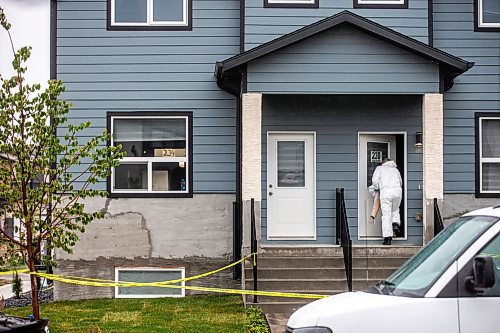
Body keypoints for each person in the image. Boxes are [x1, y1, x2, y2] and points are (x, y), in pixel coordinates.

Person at [372, 157, 402, 245]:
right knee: (395, 209)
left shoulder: (380, 169)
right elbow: (400, 182)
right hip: (397, 192)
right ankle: (395, 223)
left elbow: (375, 181)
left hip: (386, 192)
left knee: (386, 215)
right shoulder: (395, 170)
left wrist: (377, 188)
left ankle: (387, 238)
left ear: (383, 163)